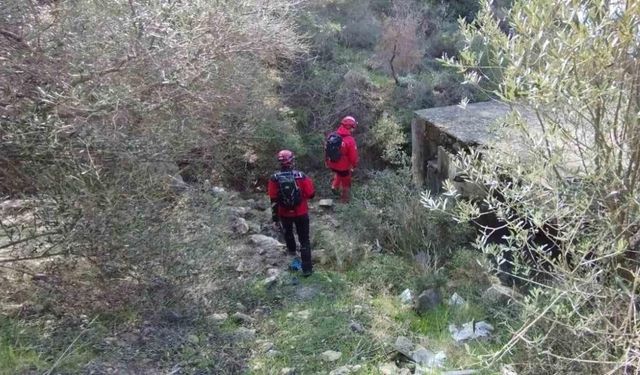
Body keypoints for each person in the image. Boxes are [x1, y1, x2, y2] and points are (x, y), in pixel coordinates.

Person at [267, 150, 315, 276]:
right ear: (292, 161)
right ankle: (307, 270)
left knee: (289, 236)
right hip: (301, 212)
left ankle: (293, 259)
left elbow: (273, 199)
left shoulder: (274, 179)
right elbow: (311, 194)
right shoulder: (301, 176)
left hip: (284, 214)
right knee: (304, 240)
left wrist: (275, 218)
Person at [325, 115, 359, 203]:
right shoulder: (350, 140)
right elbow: (353, 157)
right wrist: (354, 165)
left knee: (339, 173)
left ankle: (334, 187)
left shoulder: (332, 135)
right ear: (350, 127)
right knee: (346, 182)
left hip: (332, 163)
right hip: (343, 166)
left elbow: (326, 149)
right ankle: (345, 201)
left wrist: (326, 161)